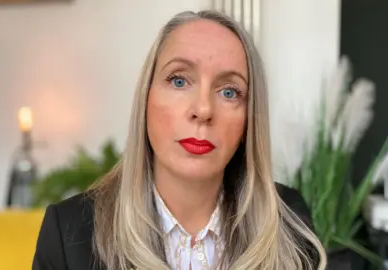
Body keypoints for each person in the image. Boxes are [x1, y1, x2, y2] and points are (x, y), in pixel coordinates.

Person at [32, 10, 327, 270]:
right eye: (179, 81)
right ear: (145, 99)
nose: (203, 110)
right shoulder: (69, 233)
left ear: (249, 120)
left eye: (229, 92)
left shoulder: (289, 220)